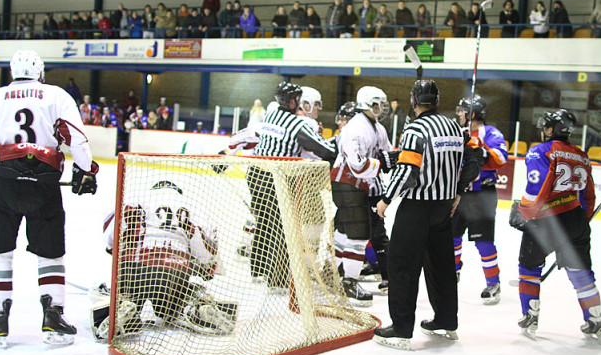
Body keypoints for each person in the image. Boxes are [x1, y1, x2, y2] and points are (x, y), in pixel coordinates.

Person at [0, 50, 99, 348]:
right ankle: (54, 318)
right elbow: (77, 138)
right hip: (44, 186)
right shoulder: (56, 95)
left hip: (3, 185)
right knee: (50, 253)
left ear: (12, 72)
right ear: (40, 72)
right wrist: (87, 170)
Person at [372, 80, 483, 350]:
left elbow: (408, 172)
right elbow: (476, 158)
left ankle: (400, 329)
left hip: (417, 209)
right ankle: (446, 321)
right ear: (436, 100)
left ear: (413, 101)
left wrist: (386, 199)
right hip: (443, 208)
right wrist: (457, 191)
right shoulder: (455, 128)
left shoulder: (415, 129)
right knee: (442, 266)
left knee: (402, 266)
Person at [91, 180, 237, 341]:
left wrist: (113, 249)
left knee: (115, 292)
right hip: (174, 273)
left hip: (136, 267)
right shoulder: (191, 206)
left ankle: (123, 307)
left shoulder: (137, 197)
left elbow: (111, 228)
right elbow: (205, 248)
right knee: (176, 302)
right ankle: (191, 307)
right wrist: (206, 268)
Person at [508, 109, 601, 343]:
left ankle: (530, 316)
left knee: (529, 266)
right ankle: (595, 321)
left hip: (546, 221)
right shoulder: (581, 155)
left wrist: (524, 212)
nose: (543, 130)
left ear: (551, 129)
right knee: (581, 272)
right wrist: (583, 220)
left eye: (546, 126)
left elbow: (537, 189)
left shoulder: (539, 151)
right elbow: (588, 195)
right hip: (576, 219)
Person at [249, 82, 336, 291]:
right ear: (292, 101)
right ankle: (277, 279)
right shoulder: (297, 123)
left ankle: (258, 270)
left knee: (264, 222)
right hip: (276, 178)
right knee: (282, 227)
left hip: (255, 173)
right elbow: (323, 150)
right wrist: (335, 146)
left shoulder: (271, 114)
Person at [330, 86, 397, 307]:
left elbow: (385, 153)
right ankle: (349, 281)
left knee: (344, 231)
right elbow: (357, 165)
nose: (383, 108)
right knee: (359, 233)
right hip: (346, 183)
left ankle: (338, 274)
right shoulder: (356, 128)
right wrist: (385, 162)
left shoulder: (377, 127)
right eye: (379, 103)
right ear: (368, 103)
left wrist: (399, 155)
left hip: (357, 186)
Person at [452, 96, 509, 304]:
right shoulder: (459, 132)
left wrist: (480, 150)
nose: (458, 114)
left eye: (462, 110)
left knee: (483, 241)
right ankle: (453, 272)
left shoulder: (491, 133)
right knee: (452, 236)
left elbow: (502, 158)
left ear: (473, 114)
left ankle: (493, 282)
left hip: (481, 195)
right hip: (459, 193)